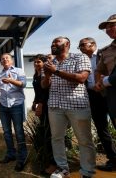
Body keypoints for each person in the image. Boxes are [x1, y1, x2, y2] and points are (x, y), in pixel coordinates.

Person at [41, 36, 95, 178]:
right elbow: (44, 85)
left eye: (57, 42)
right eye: (52, 42)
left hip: (76, 104)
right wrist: (47, 76)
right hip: (55, 106)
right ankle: (62, 169)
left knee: (84, 140)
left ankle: (87, 172)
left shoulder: (80, 57)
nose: (53, 44)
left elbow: (82, 78)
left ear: (67, 44)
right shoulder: (49, 63)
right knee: (56, 138)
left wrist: (56, 72)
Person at [78, 37, 116, 172]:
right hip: (93, 96)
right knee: (102, 129)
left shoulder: (104, 53)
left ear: (93, 44)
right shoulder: (80, 60)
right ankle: (113, 159)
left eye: (83, 45)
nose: (81, 47)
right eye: (79, 46)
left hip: (110, 92)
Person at [0, 53, 27, 172]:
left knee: (19, 132)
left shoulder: (19, 71)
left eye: (7, 58)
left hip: (16, 105)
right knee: (7, 132)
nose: (4, 60)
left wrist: (11, 80)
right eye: (2, 59)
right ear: (1, 62)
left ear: (12, 61)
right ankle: (11, 154)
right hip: (4, 106)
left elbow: (23, 84)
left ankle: (22, 157)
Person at [95, 14, 116, 171]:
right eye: (106, 27)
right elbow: (100, 70)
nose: (108, 29)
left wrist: (108, 81)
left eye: (112, 25)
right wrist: (99, 82)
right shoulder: (107, 51)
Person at [31, 54, 56, 174]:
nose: (36, 64)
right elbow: (37, 91)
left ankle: (53, 163)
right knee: (45, 131)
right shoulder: (36, 74)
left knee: (49, 133)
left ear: (45, 63)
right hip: (40, 103)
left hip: (47, 105)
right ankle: (46, 158)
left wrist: (40, 104)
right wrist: (34, 102)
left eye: (39, 62)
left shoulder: (45, 73)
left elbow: (46, 90)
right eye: (35, 62)